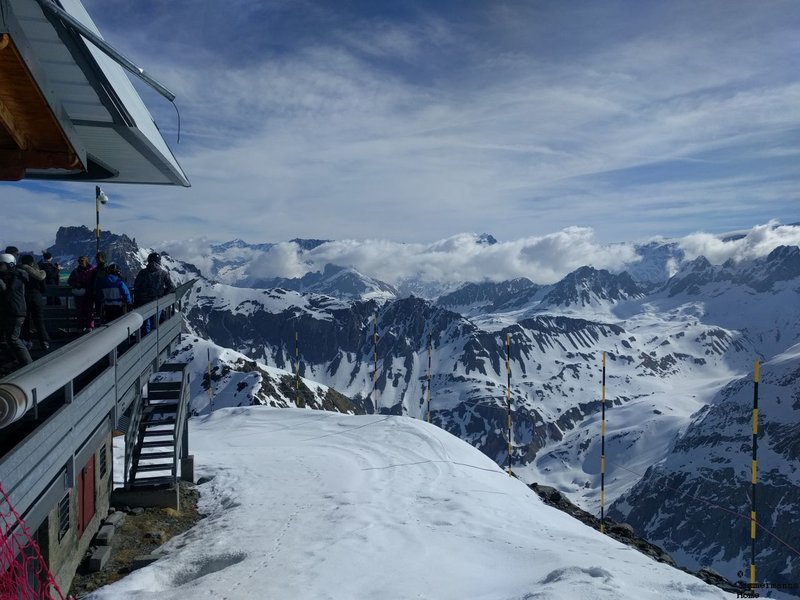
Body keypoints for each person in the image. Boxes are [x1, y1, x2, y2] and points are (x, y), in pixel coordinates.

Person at [0, 253, 33, 367]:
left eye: (1, 265)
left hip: (15, 312)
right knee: (8, 338)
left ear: (10, 265)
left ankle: (28, 365)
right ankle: (15, 360)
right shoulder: (11, 276)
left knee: (13, 339)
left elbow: (9, 291)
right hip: (10, 311)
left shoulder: (17, 276)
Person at [134, 252, 175, 333]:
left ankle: (145, 341)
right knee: (155, 325)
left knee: (145, 325)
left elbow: (136, 286)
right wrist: (163, 294)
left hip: (143, 303)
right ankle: (154, 341)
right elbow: (171, 287)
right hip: (157, 302)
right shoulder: (163, 273)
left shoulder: (142, 272)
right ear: (158, 261)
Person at [18, 255, 50, 350]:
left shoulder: (19, 272)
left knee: (25, 321)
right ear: (32, 263)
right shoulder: (39, 274)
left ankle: (26, 341)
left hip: (23, 299)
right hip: (36, 298)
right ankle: (44, 342)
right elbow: (44, 289)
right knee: (39, 321)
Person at [68, 255, 96, 331]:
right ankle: (80, 328)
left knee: (89, 312)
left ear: (86, 261)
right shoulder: (75, 271)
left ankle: (89, 327)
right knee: (79, 312)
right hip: (79, 295)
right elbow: (70, 281)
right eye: (79, 261)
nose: (80, 262)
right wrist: (76, 284)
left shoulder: (92, 270)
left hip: (89, 295)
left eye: (82, 261)